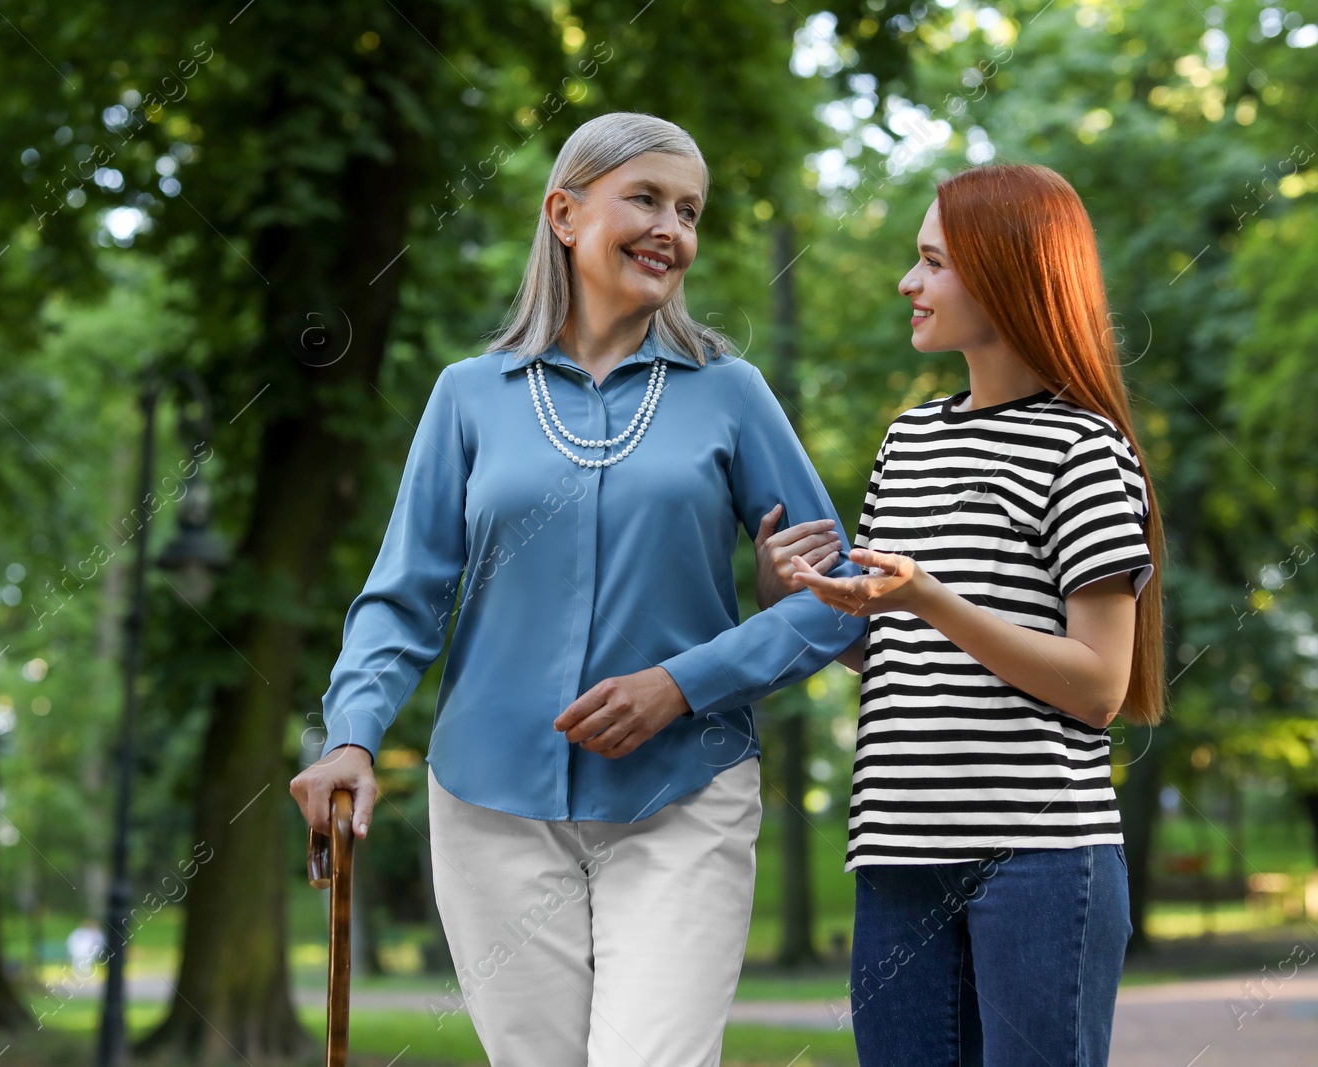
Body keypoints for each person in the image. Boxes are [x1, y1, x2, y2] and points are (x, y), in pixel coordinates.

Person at [290, 111, 864, 1067]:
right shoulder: (467, 396)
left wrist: (683, 682)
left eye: (690, 210)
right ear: (564, 212)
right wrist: (351, 735)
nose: (672, 229)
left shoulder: (732, 392)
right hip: (488, 803)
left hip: (686, 793)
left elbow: (834, 595)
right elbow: (404, 594)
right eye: (646, 198)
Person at [773, 162, 1164, 1067]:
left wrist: (929, 598)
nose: (909, 284)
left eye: (932, 263)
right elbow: (889, 649)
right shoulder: (908, 440)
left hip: (1039, 861)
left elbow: (1100, 685)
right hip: (897, 854)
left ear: (1006, 274)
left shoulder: (1084, 446)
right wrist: (799, 588)